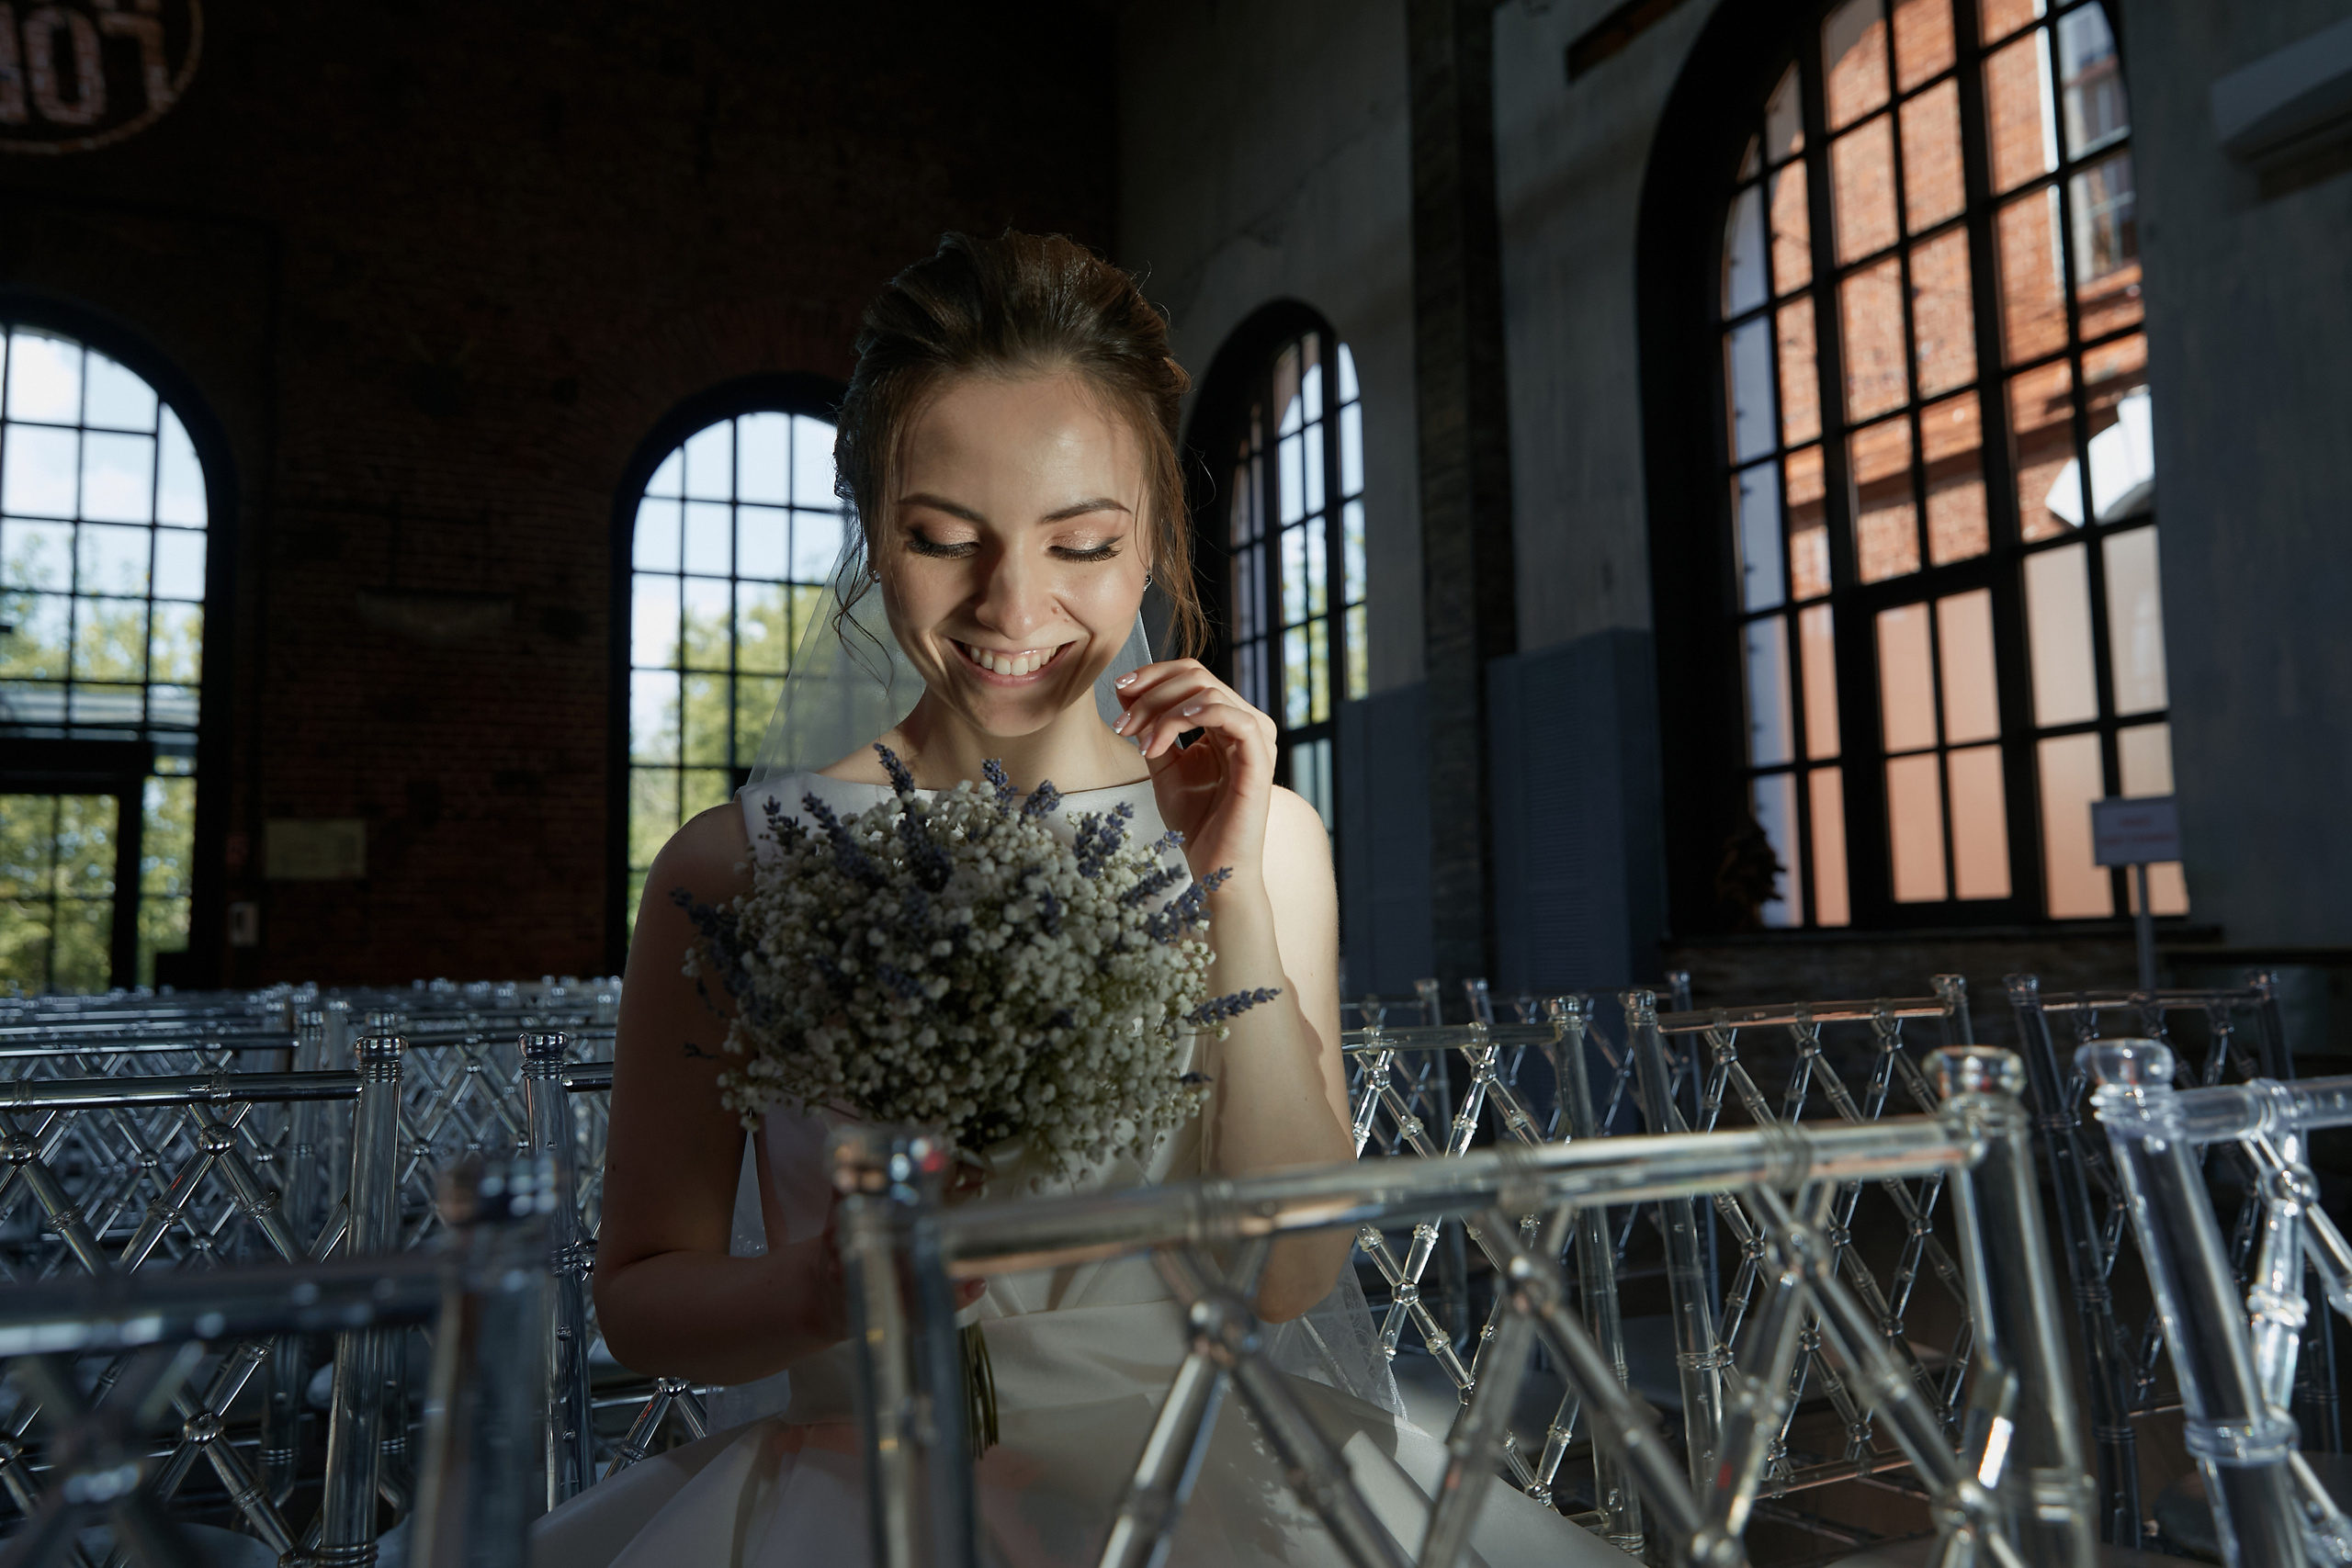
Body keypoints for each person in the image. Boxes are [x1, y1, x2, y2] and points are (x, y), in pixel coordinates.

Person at [533, 231, 1620, 1567]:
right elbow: (642, 1299)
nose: (1013, 604)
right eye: (943, 539)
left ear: (1157, 535)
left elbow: (1284, 1274)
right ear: (873, 532)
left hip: (1201, 1491)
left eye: (1084, 542)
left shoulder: (1265, 836)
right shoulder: (732, 867)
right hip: (861, 1495)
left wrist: (1223, 886)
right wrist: (824, 1289)